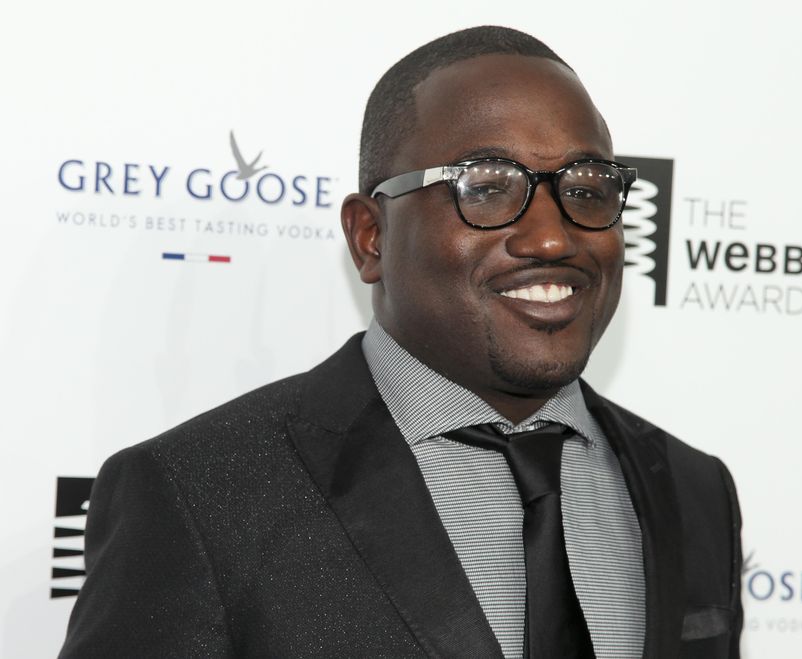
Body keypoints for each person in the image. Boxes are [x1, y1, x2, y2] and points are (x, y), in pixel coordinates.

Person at [60, 26, 742, 659]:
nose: (551, 237)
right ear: (370, 237)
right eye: (488, 186)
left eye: (587, 188)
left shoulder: (694, 488)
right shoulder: (201, 495)